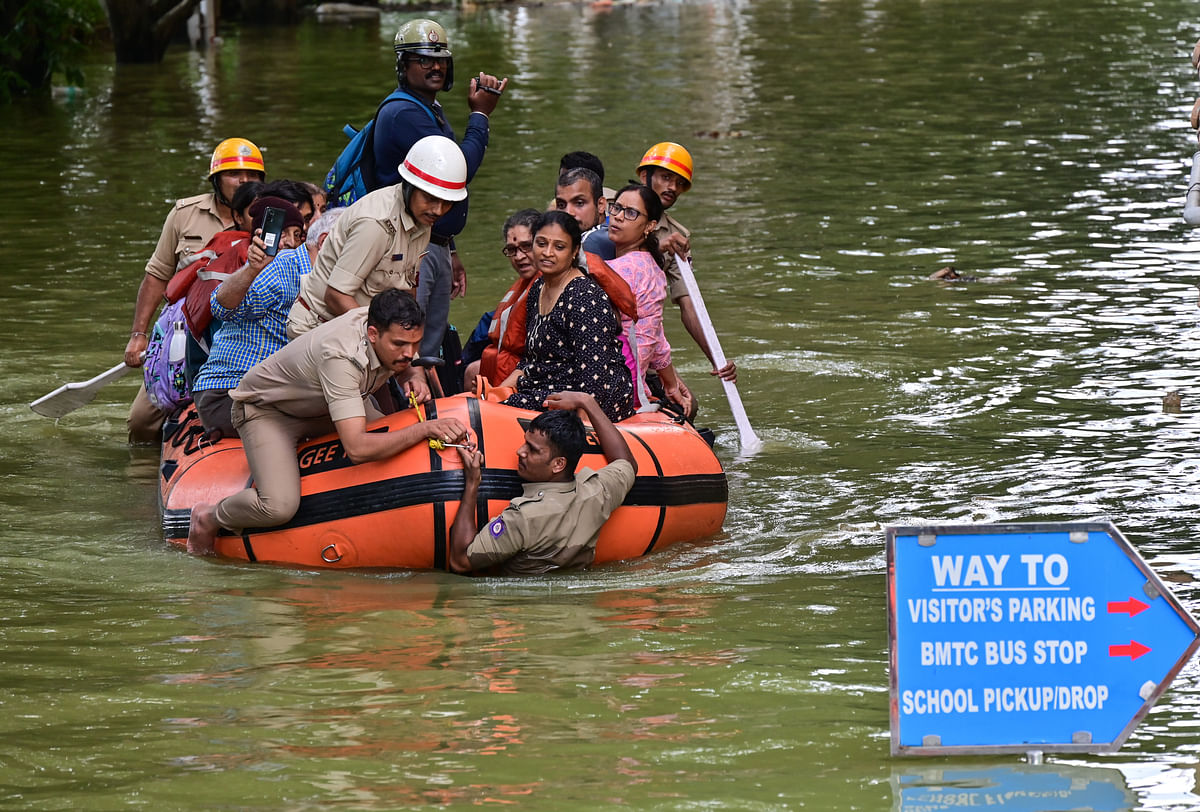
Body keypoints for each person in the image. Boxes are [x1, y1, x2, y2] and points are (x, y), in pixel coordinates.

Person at [187, 289, 468, 556]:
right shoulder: (341, 356)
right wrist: (424, 428)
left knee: (393, 441)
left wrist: (413, 377)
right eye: (400, 345)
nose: (409, 353)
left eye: (415, 345)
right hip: (269, 413)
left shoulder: (384, 326)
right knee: (279, 506)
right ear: (373, 333)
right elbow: (357, 448)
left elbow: (406, 358)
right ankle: (208, 517)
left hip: (325, 403)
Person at [373, 18, 508, 358]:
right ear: (404, 66)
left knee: (429, 344)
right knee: (409, 347)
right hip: (410, 246)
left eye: (441, 59)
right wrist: (480, 116)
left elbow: (438, 197)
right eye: (424, 59)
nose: (435, 66)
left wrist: (450, 247)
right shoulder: (404, 113)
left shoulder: (426, 107)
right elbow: (455, 175)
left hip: (433, 241)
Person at [125, 137, 265, 444]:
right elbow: (157, 276)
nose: (244, 181)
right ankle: (149, 476)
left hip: (242, 333)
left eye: (252, 175)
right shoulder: (184, 214)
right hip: (184, 333)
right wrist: (139, 335)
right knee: (141, 421)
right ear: (216, 180)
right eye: (234, 174)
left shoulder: (270, 215)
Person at [288, 135, 467, 338]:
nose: (438, 210)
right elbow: (336, 296)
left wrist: (407, 342)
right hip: (319, 326)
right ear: (409, 187)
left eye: (447, 203)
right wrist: (385, 342)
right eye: (430, 198)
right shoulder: (376, 224)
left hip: (364, 327)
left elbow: (407, 290)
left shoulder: (422, 219)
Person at [192, 208, 345, 440]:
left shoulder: (336, 281)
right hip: (229, 394)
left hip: (274, 392)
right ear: (326, 242)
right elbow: (221, 307)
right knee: (350, 412)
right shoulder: (285, 268)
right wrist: (253, 269)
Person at [448, 390, 637, 576]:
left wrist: (472, 483)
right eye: (525, 442)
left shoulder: (523, 518)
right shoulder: (597, 493)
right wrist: (587, 401)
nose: (520, 452)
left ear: (558, 464)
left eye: (533, 449)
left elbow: (460, 561)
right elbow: (627, 463)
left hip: (519, 604)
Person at [498, 211, 634, 423]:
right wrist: (497, 391)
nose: (547, 253)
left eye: (559, 247)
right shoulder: (538, 288)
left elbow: (594, 379)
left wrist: (583, 431)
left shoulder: (585, 297)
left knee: (504, 410)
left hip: (587, 397)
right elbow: (532, 360)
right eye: (541, 243)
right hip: (547, 387)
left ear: (574, 251)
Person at [634, 142, 737, 384]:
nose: (672, 187)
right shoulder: (609, 206)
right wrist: (658, 247)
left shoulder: (677, 237)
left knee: (688, 405)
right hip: (598, 324)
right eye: (666, 177)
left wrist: (718, 360)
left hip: (639, 339)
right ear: (644, 175)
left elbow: (689, 304)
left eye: (680, 183)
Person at [606, 183, 693, 416]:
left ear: (650, 226)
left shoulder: (621, 269)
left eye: (631, 213)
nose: (618, 217)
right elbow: (657, 338)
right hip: (633, 386)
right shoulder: (653, 267)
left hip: (609, 385)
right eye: (616, 208)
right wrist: (672, 384)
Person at [462, 208, 541, 392]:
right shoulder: (522, 286)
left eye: (526, 246)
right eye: (512, 250)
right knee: (471, 370)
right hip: (504, 367)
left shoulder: (548, 287)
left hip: (526, 378)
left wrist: (497, 392)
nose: (519, 257)